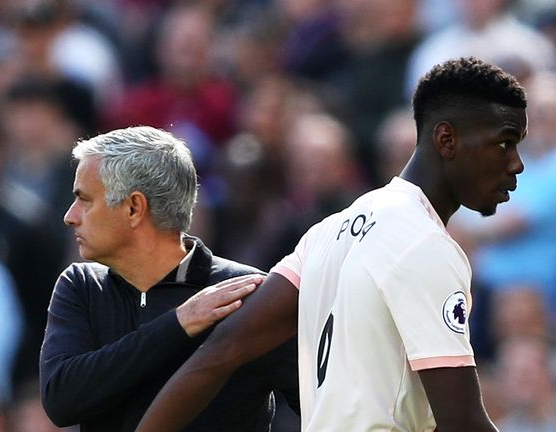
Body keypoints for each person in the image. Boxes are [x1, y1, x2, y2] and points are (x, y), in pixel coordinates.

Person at [137, 56, 527, 432]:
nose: (516, 164)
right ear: (446, 139)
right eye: (504, 143)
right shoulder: (425, 245)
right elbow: (462, 422)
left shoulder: (330, 231)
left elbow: (219, 352)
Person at [39, 126, 299, 431]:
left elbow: (322, 404)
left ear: (134, 208)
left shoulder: (247, 294)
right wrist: (178, 324)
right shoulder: (82, 286)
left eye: (84, 199)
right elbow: (61, 400)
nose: (70, 215)